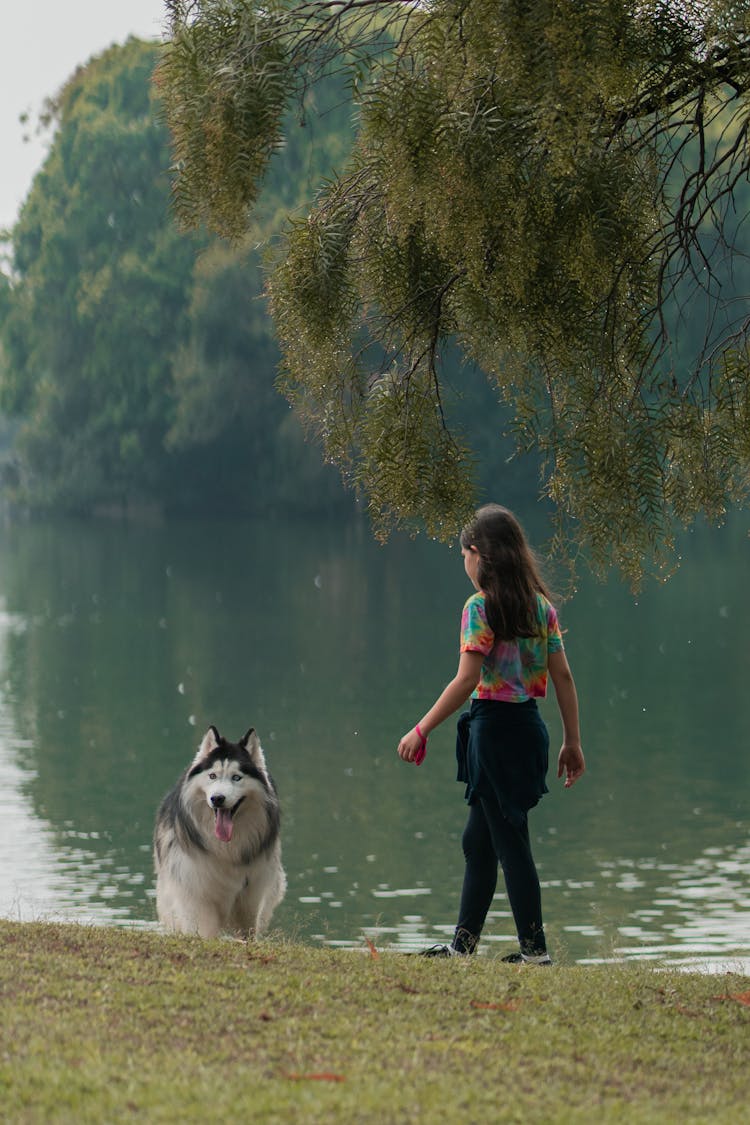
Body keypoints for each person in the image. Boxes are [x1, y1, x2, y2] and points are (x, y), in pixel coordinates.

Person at [397, 503, 585, 964]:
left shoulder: (480, 607)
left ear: (478, 554)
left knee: (511, 845)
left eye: (464, 555)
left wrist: (421, 729)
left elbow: (466, 680)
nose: (464, 564)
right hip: (527, 730)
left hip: (493, 734)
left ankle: (536, 954)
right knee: (478, 843)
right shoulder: (542, 609)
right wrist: (571, 741)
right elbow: (563, 678)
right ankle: (462, 949)